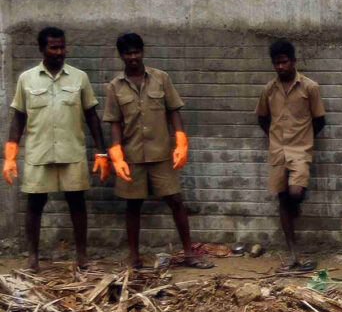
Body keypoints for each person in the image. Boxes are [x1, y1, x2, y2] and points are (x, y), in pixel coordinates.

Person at [4, 27, 108, 272]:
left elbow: (92, 116)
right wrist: (10, 156)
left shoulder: (79, 77)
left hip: (71, 153)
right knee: (35, 204)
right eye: (53, 47)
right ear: (42, 49)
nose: (59, 52)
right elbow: (18, 118)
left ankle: (82, 257)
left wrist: (101, 153)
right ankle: (33, 257)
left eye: (62, 47)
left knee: (77, 203)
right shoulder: (26, 79)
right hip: (38, 155)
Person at [103, 32, 210, 270]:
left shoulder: (161, 78)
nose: (133, 57)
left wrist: (181, 141)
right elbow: (114, 123)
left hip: (161, 154)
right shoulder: (114, 86)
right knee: (132, 205)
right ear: (121, 55)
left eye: (136, 52)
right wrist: (116, 155)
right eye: (128, 53)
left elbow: (174, 110)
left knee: (176, 201)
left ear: (143, 51)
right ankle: (133, 256)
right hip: (132, 156)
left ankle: (189, 252)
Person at [255, 38, 326, 273]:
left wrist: (302, 138)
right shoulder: (268, 90)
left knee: (295, 193)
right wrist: (275, 137)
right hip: (277, 151)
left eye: (284, 62)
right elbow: (262, 118)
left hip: (300, 151)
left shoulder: (309, 87)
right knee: (282, 200)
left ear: (293, 61)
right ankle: (293, 255)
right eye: (276, 63)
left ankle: (295, 209)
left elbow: (320, 120)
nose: (280, 67)